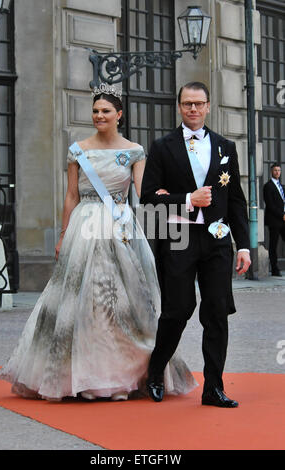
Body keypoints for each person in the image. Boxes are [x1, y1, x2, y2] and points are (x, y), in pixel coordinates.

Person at [0, 83, 197, 402]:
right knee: (80, 301)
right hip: (85, 226)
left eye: (105, 111)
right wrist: (63, 235)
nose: (99, 116)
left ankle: (121, 374)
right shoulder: (78, 149)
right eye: (95, 111)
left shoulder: (133, 151)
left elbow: (144, 194)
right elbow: (71, 196)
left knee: (120, 302)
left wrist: (174, 203)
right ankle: (77, 374)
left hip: (121, 228)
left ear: (119, 114)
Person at [140, 81, 251, 407]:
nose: (193, 109)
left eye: (198, 103)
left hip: (217, 240)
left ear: (207, 106)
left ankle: (213, 388)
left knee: (216, 310)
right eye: (187, 103)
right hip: (179, 239)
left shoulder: (225, 147)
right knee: (178, 310)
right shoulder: (162, 147)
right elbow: (148, 198)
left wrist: (243, 245)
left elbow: (236, 201)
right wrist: (187, 199)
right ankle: (156, 371)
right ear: (179, 106)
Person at [263, 164, 285, 277]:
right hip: (274, 220)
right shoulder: (268, 186)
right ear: (271, 171)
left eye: (279, 170)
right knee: (273, 245)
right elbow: (270, 205)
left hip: (283, 219)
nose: (277, 172)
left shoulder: (282, 186)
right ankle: (275, 269)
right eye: (275, 170)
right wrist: (282, 215)